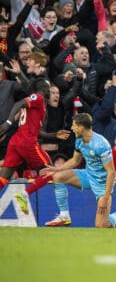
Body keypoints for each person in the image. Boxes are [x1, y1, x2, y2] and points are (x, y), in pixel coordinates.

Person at [39, 113, 116, 228]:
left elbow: (111, 172)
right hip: (88, 176)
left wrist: (106, 196)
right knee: (58, 177)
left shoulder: (101, 144)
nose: (72, 128)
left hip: (102, 184)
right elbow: (75, 161)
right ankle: (64, 216)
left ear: (81, 127)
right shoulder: (79, 140)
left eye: (74, 125)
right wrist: (55, 169)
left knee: (101, 225)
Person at [0, 78, 70, 214]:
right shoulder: (37, 98)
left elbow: (36, 131)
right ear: (44, 89)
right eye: (49, 88)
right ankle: (24, 195)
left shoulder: (40, 106)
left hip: (17, 142)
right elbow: (19, 103)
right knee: (50, 170)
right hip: (27, 142)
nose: (51, 91)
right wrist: (8, 122)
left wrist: (54, 135)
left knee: (4, 177)